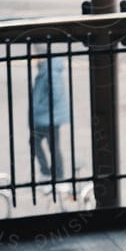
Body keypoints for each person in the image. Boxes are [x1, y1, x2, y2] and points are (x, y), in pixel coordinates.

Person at [30, 53, 72, 190]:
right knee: (39, 144)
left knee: (52, 147)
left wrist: (39, 107)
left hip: (49, 118)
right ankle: (49, 174)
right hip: (45, 118)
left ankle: (57, 177)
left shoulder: (50, 71)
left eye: (35, 55)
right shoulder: (46, 69)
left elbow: (56, 95)